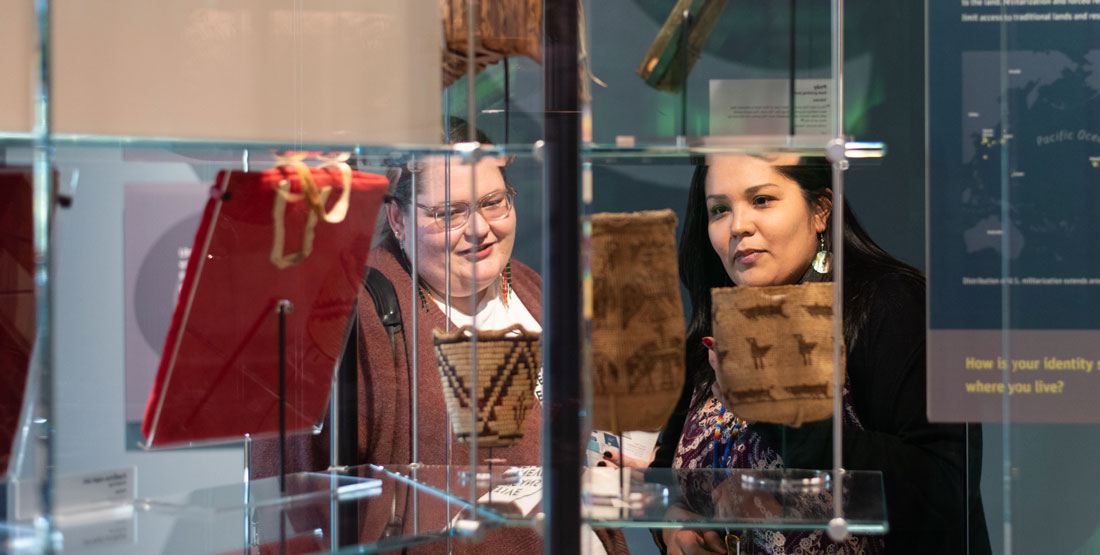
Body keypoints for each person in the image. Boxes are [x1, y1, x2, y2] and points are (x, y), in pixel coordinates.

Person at [258, 119, 626, 555]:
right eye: (448, 213)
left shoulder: (533, 289)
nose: (479, 229)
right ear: (397, 217)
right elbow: (289, 490)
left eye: (494, 203)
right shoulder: (350, 314)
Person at [652, 154, 990, 555]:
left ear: (820, 211)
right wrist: (675, 530)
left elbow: (945, 489)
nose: (738, 225)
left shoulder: (894, 305)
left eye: (761, 200)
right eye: (720, 209)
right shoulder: (712, 330)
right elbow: (665, 480)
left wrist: (780, 415)